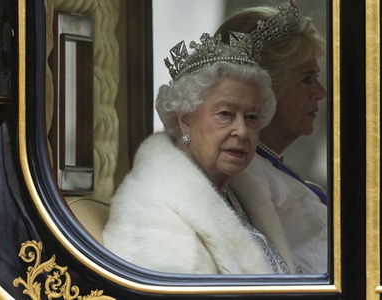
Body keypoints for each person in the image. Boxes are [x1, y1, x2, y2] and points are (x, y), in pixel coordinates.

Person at [103, 32, 296, 274]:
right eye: (226, 114)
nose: (242, 131)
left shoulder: (238, 195)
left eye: (252, 117)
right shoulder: (151, 212)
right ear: (186, 120)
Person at [215, 0, 328, 274]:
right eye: (306, 79)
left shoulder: (264, 166)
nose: (321, 92)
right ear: (263, 89)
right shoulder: (243, 175)